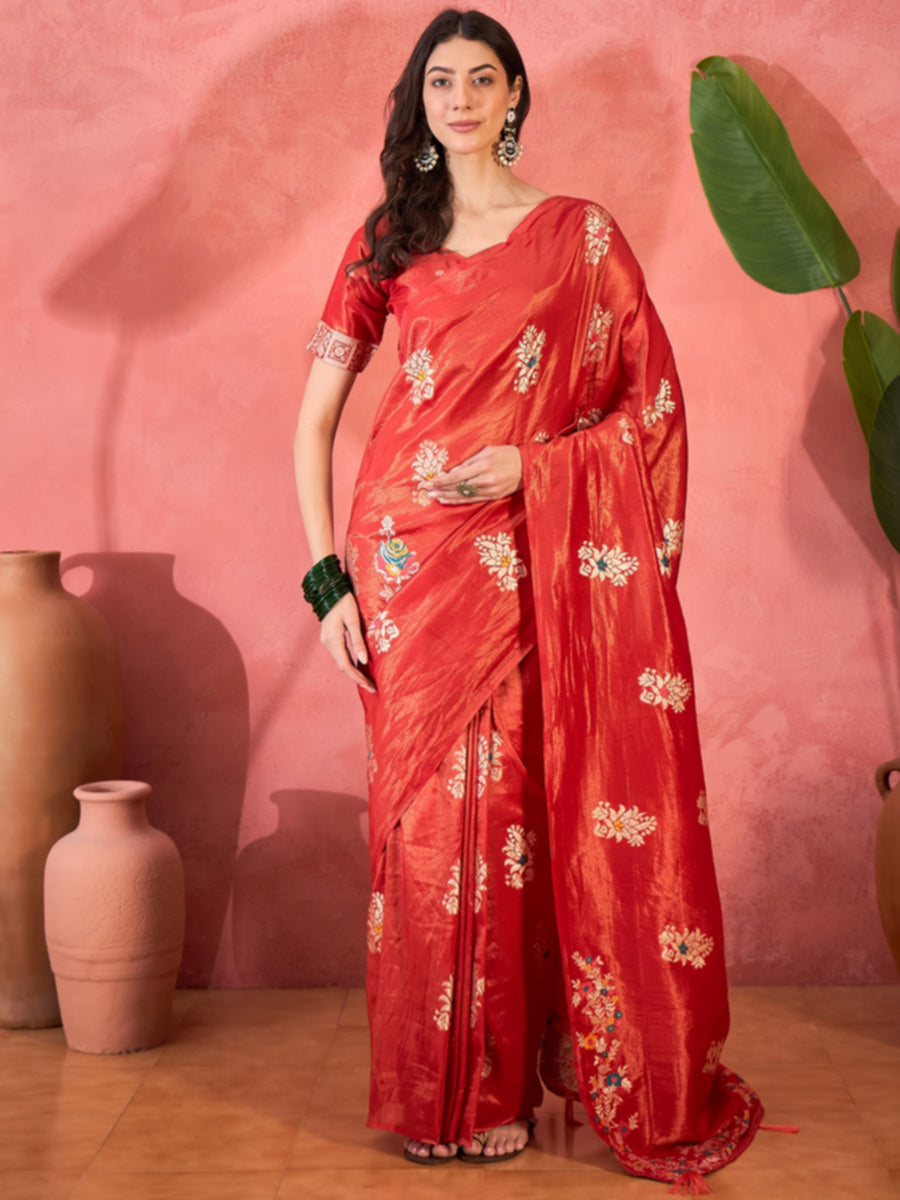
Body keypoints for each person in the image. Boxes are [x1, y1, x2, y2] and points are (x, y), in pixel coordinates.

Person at [295, 8, 763, 1187]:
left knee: (505, 811)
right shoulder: (386, 239)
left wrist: (534, 466)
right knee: (419, 824)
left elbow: (650, 407)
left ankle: (495, 1085)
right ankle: (428, 1088)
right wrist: (327, 580)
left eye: (480, 79)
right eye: (439, 81)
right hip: (404, 562)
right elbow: (314, 423)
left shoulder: (579, 237)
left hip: (523, 549)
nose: (459, 99)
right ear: (420, 101)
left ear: (514, 95)